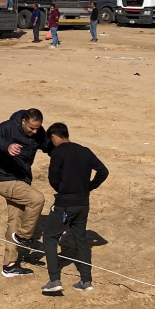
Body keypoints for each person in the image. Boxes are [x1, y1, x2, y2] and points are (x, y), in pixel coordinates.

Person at [0, 108, 54, 278]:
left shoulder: (38, 132)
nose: (34, 131)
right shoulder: (9, 127)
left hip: (21, 180)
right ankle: (24, 236)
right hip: (2, 179)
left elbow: (48, 146)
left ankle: (9, 265)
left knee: (15, 221)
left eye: (37, 128)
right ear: (23, 121)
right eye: (31, 128)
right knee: (37, 199)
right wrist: (6, 146)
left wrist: (66, 152)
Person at [41, 122, 109, 294]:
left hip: (65, 203)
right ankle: (86, 281)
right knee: (81, 239)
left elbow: (53, 178)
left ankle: (54, 280)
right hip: (83, 203)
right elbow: (103, 171)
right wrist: (89, 187)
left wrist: (63, 191)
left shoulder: (58, 152)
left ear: (54, 137)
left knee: (49, 237)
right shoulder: (84, 150)